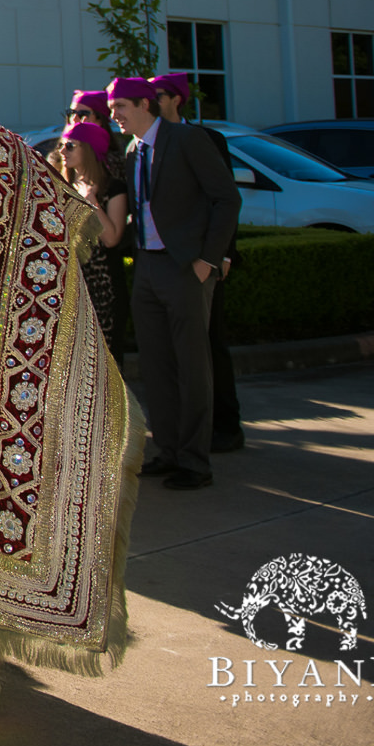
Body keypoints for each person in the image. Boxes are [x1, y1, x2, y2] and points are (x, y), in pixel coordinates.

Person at [108, 76, 239, 491]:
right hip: (147, 266)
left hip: (186, 267)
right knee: (157, 364)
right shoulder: (132, 152)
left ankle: (195, 461)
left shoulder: (187, 140)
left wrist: (209, 259)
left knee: (192, 364)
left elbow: (226, 198)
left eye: (121, 107)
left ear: (145, 105)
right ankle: (167, 450)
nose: (115, 116)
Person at [153, 71, 244, 452]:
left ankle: (226, 426)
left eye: (156, 95)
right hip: (167, 262)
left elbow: (223, 200)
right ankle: (182, 435)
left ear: (176, 99)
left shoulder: (207, 139)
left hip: (203, 260)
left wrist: (218, 254)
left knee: (212, 344)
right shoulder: (149, 144)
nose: (150, 102)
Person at [50, 121, 128, 347]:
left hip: (103, 288)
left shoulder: (112, 189)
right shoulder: (62, 188)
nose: (62, 151)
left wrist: (92, 201)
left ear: (90, 149)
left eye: (71, 146)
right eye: (63, 145)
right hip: (70, 287)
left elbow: (112, 238)